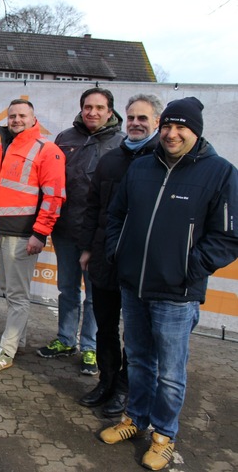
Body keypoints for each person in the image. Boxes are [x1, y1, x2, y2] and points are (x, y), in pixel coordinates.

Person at [100, 97, 238, 470]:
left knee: (170, 372)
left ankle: (163, 435)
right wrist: (118, 252)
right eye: (168, 127)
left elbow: (227, 237)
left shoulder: (221, 173)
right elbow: (117, 215)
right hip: (134, 285)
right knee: (140, 360)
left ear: (195, 131)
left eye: (181, 128)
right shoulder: (142, 167)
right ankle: (136, 419)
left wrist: (188, 269)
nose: (172, 134)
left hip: (176, 293)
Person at [77, 94, 162, 416]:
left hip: (142, 264)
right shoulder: (111, 160)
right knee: (106, 326)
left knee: (138, 334)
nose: (136, 124)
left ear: (156, 121)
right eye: (132, 118)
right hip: (104, 258)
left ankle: (126, 390)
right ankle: (106, 381)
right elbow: (93, 207)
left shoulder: (163, 160)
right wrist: (87, 248)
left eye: (143, 118)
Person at [0, 99, 66, 372]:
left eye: (22, 115)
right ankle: (17, 339)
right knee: (8, 291)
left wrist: (40, 233)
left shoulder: (48, 150)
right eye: (12, 115)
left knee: (18, 295)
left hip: (24, 235)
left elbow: (54, 198)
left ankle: (6, 350)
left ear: (34, 119)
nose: (16, 120)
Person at [37, 87, 124, 375]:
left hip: (98, 235)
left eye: (99, 108)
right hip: (65, 228)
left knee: (95, 294)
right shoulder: (65, 138)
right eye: (88, 107)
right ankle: (65, 339)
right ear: (81, 108)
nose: (92, 112)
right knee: (67, 289)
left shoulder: (121, 143)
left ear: (110, 111)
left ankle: (90, 347)